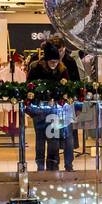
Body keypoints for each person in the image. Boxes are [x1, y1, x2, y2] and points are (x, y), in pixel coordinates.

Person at [26, 42, 72, 171]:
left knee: (53, 140)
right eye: (51, 62)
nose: (54, 64)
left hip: (56, 110)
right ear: (45, 61)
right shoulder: (35, 68)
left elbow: (67, 88)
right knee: (40, 139)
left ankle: (53, 166)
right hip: (39, 110)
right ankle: (40, 167)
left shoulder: (62, 70)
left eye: (56, 62)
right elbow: (29, 87)